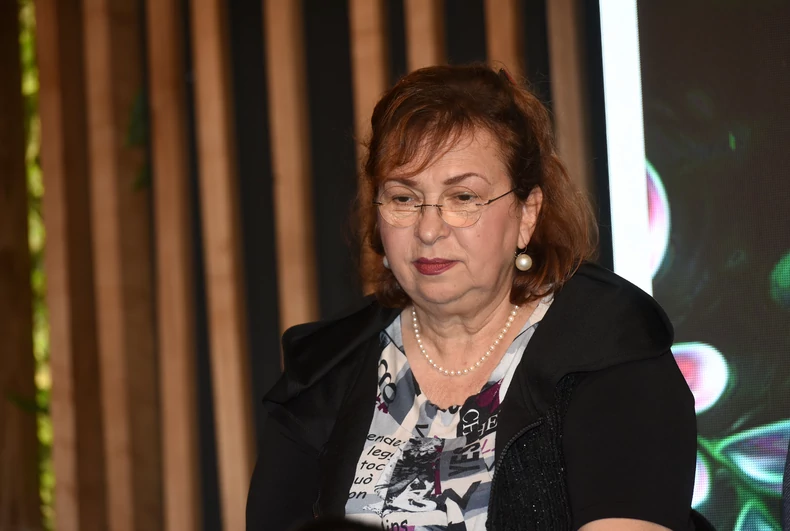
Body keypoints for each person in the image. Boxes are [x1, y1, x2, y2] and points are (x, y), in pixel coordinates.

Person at [246, 64, 700, 531]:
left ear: (527, 214)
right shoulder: (324, 371)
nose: (428, 229)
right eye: (403, 198)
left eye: (463, 198)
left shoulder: (606, 347)